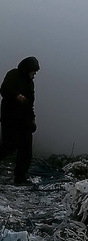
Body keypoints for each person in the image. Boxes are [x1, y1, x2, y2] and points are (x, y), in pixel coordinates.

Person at [0, 56, 40, 184]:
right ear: (26, 70)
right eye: (33, 72)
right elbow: (4, 90)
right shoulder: (13, 75)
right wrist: (16, 96)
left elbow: (30, 103)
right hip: (10, 118)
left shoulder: (30, 83)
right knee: (8, 146)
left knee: (26, 150)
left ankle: (20, 178)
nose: (34, 75)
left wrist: (32, 119)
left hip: (24, 120)